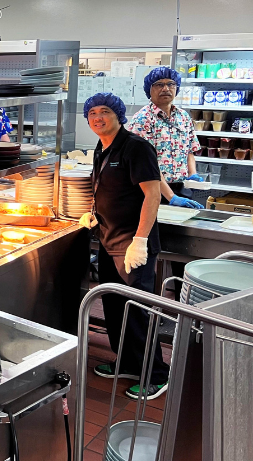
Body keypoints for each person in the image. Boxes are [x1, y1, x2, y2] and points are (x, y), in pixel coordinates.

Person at [79, 93, 170, 401]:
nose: (97, 117)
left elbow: (152, 196)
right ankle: (128, 363)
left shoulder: (136, 147)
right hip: (108, 240)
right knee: (116, 307)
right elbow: (104, 187)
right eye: (92, 113)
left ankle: (156, 375)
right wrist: (93, 213)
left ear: (119, 115)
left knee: (139, 312)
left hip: (132, 245)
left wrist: (141, 240)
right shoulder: (102, 147)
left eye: (104, 111)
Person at [128, 67, 204, 209]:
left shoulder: (183, 117)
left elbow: (189, 150)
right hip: (151, 190)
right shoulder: (142, 119)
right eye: (159, 84)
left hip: (181, 189)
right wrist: (171, 197)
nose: (166, 88)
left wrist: (192, 175)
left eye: (171, 84)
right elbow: (146, 164)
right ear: (149, 90)